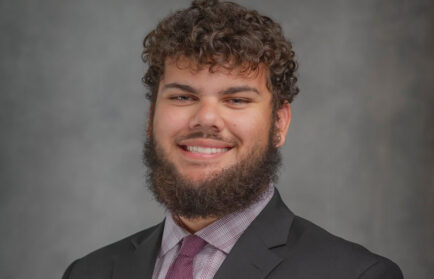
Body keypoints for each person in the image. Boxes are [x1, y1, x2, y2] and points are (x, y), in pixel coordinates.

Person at [62, 0, 404, 278]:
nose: (206, 118)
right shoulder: (89, 272)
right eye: (183, 97)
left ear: (279, 124)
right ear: (151, 117)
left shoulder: (357, 275)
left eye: (236, 99)